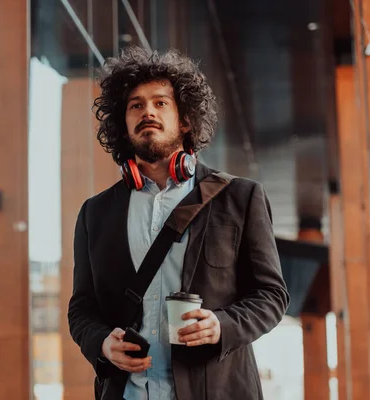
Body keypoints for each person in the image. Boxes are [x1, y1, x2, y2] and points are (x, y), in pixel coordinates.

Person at [67, 46, 290, 400]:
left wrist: (222, 325)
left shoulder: (240, 198)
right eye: (136, 105)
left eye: (160, 102)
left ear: (185, 120)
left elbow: (272, 295)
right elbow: (82, 309)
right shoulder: (95, 213)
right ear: (123, 125)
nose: (147, 112)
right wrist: (102, 345)